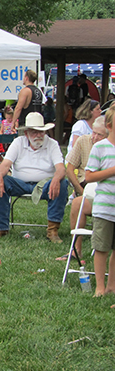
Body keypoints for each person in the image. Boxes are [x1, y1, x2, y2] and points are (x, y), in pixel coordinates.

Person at [0, 112, 68, 243]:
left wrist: (55, 179)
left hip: (44, 184)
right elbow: (5, 164)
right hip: (20, 183)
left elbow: (61, 168)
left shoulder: (52, 144)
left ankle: (52, 230)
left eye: (41, 132)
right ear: (26, 133)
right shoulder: (18, 142)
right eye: (34, 132)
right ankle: (1, 228)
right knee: (0, 181)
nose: (38, 135)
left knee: (62, 183)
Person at [55, 116, 108, 264]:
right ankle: (75, 250)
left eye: (100, 135)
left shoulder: (110, 147)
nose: (95, 137)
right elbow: (70, 168)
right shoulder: (84, 141)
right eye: (94, 133)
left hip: (106, 192)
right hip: (86, 188)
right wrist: (80, 190)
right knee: (78, 203)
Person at [85, 104, 115, 297]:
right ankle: (99, 286)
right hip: (104, 207)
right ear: (110, 126)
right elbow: (88, 176)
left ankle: (112, 285)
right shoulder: (100, 147)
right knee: (101, 248)